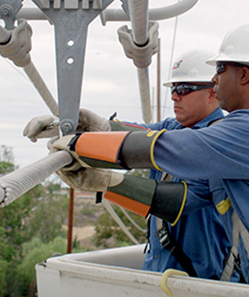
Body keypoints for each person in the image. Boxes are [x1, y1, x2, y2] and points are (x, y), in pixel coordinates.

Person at [49, 23, 249, 289]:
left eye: (220, 70)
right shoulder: (240, 137)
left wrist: (78, 145)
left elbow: (171, 148)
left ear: (243, 74)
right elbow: (180, 199)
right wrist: (97, 155)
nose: (215, 79)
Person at [25, 50, 233, 280]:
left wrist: (104, 182)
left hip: (201, 281)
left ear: (213, 92)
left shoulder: (222, 142)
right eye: (173, 89)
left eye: (183, 90)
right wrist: (73, 125)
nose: (174, 97)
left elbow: (182, 200)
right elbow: (131, 137)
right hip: (156, 274)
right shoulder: (173, 128)